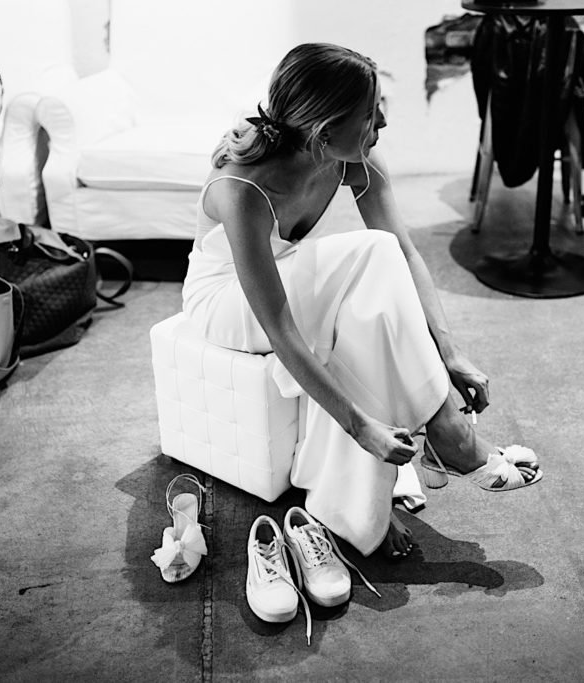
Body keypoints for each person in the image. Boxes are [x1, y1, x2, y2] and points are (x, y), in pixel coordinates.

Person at [182, 43, 541, 560]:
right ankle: (447, 430)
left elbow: (410, 256)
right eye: (371, 113)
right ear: (325, 129)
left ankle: (356, 507)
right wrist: (360, 427)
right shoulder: (242, 189)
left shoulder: (356, 161)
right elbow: (282, 330)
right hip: (226, 303)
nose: (384, 122)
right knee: (372, 253)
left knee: (368, 312)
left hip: (288, 285)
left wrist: (451, 354)